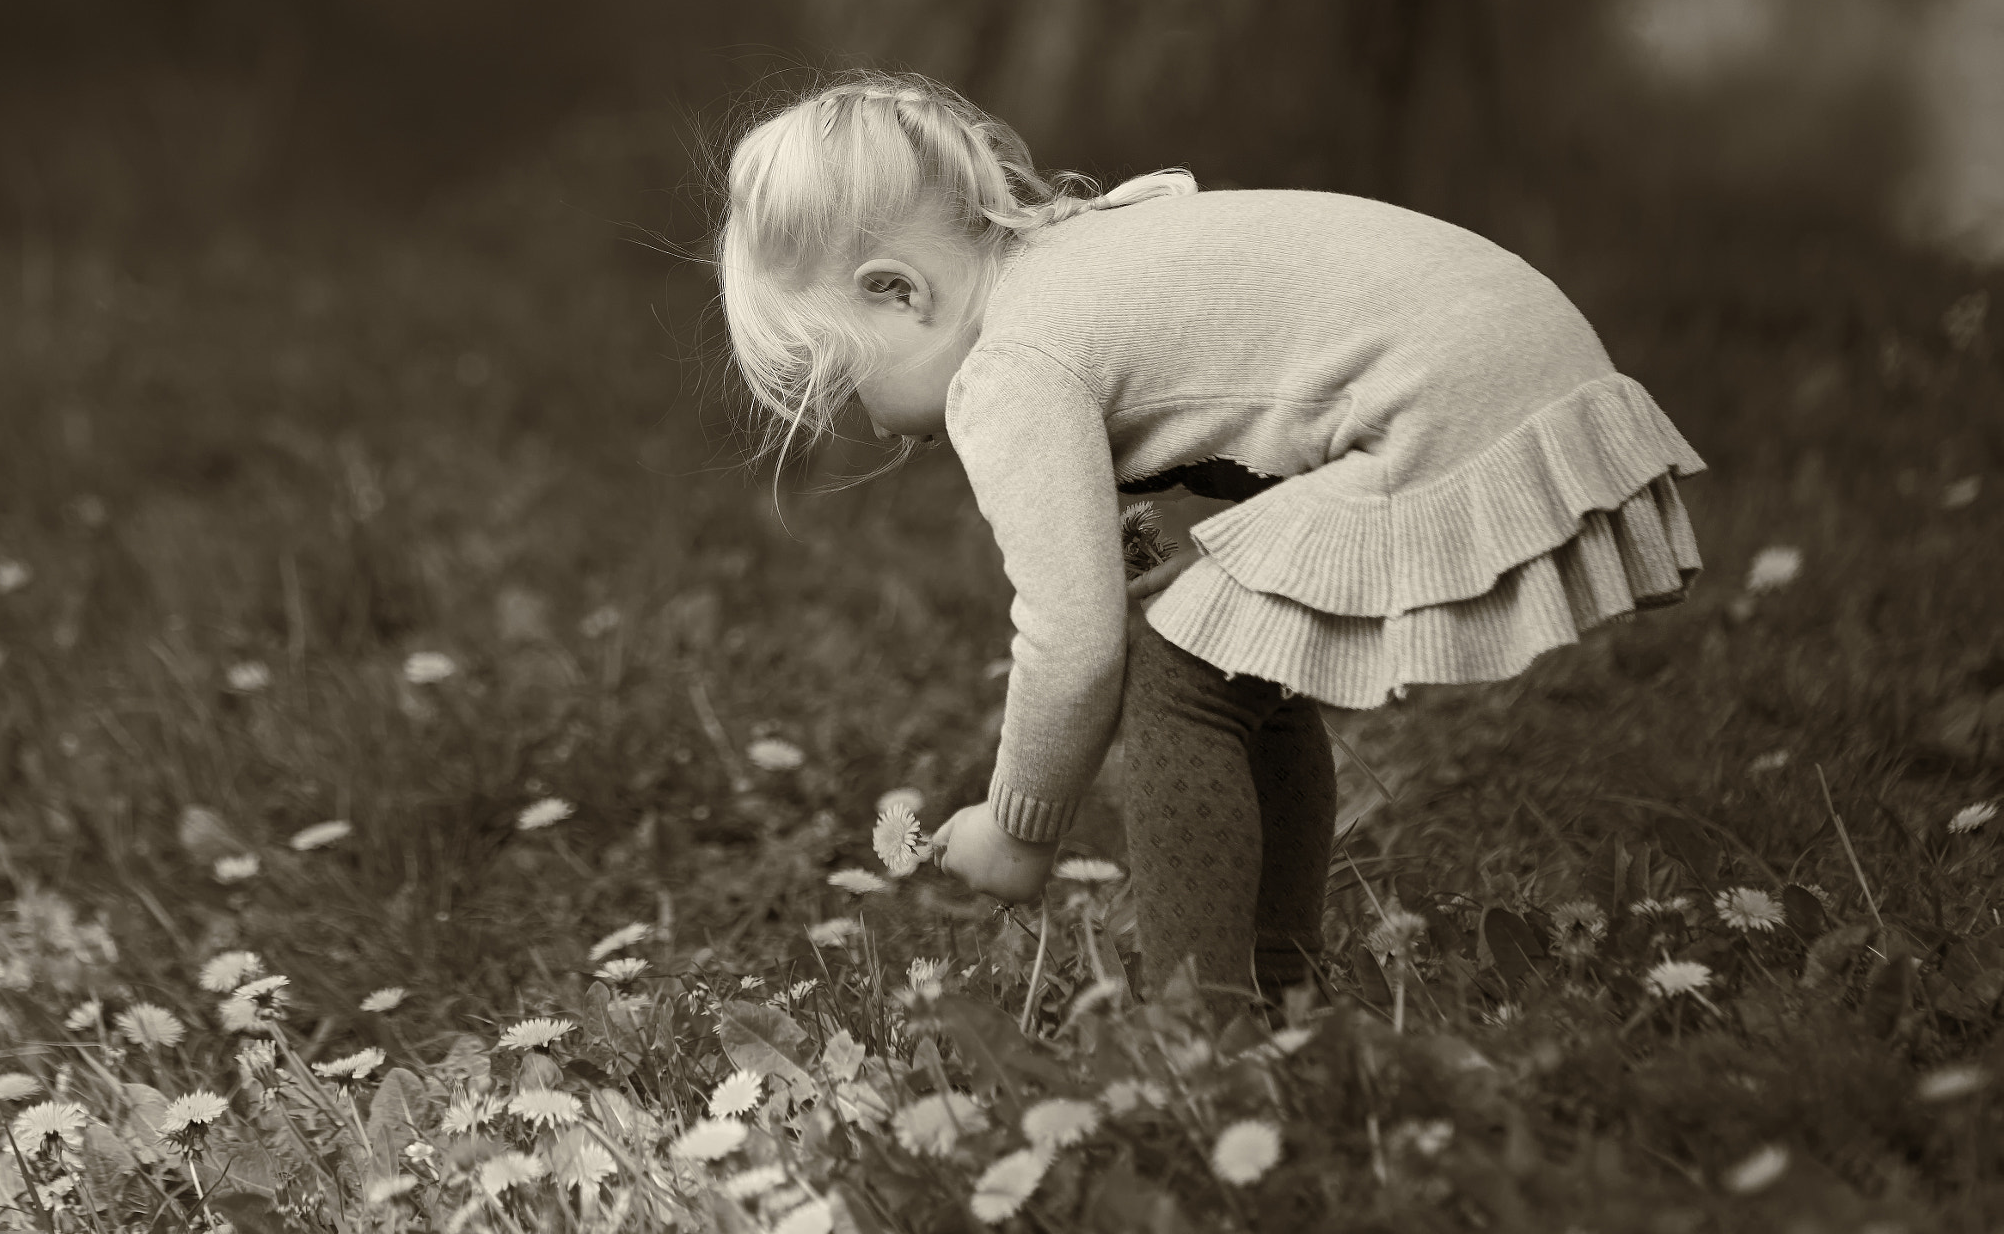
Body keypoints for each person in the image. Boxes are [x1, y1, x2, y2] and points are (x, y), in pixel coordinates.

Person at [711, 71, 1705, 1003]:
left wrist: (1017, 827)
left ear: (899, 292)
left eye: (841, 384)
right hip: (1509, 348)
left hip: (1455, 397)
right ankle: (1273, 985)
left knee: (1173, 674)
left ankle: (1200, 1033)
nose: (873, 427)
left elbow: (1072, 644)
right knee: (1234, 659)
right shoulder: (1068, 258)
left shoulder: (1010, 363)